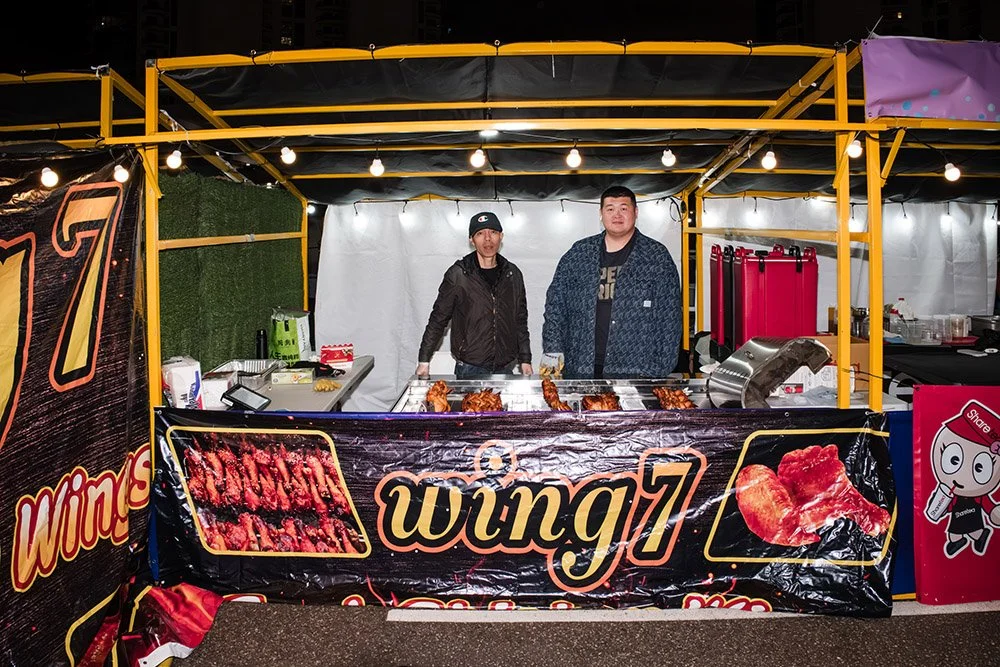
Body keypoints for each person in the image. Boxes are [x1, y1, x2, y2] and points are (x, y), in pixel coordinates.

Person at [542, 185, 681, 379]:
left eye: (624, 208)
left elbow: (670, 317)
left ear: (636, 212)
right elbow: (556, 305)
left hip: (636, 369)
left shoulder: (656, 257)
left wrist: (660, 367)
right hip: (580, 364)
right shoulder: (579, 253)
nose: (617, 215)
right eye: (610, 209)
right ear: (601, 214)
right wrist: (553, 349)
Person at [416, 211, 533, 379]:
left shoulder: (513, 274)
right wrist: (424, 360)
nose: (487, 239)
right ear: (471, 240)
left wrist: (525, 359)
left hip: (505, 369)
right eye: (480, 233)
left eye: (493, 232)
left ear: (501, 236)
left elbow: (520, 321)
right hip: (470, 369)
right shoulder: (459, 274)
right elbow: (438, 319)